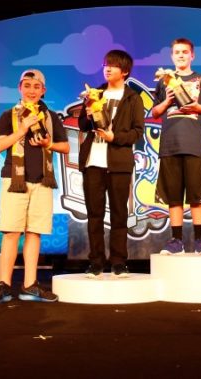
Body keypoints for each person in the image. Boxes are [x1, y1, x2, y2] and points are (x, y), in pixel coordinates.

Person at [0, 70, 69, 304]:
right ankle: (4, 284)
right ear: (20, 88)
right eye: (27, 85)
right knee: (11, 232)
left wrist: (48, 143)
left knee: (34, 232)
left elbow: (65, 147)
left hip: (42, 180)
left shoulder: (50, 117)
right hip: (15, 180)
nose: (31, 90)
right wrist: (21, 130)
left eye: (36, 86)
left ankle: (30, 284)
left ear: (43, 91)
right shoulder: (8, 116)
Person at [78, 49, 145, 278]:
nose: (107, 69)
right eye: (106, 64)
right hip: (93, 162)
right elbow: (83, 126)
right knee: (94, 214)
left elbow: (137, 132)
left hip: (119, 164)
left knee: (119, 214)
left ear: (124, 71)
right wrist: (88, 113)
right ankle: (96, 262)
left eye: (113, 65)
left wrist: (114, 137)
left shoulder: (133, 98)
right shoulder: (95, 94)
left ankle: (118, 262)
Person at [150, 38, 201, 255]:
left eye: (185, 52)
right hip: (170, 145)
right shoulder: (164, 81)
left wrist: (197, 107)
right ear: (172, 56)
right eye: (177, 52)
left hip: (193, 144)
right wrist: (167, 101)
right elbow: (155, 112)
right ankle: (176, 241)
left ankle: (200, 240)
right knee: (174, 196)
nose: (181, 55)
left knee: (197, 195)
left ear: (192, 55)